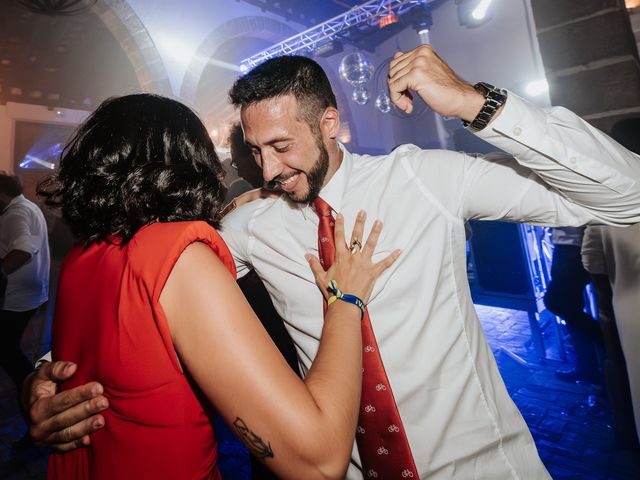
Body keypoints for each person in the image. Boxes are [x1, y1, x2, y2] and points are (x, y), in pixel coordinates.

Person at [27, 45, 640, 479]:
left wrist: (474, 104)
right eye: (253, 149)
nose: (266, 169)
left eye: (281, 146)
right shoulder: (247, 224)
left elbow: (628, 197)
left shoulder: (425, 179)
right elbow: (151, 290)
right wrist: (52, 373)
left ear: (330, 123)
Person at [34, 93, 399, 479]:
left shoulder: (83, 258)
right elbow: (317, 462)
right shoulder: (179, 258)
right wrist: (346, 297)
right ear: (191, 164)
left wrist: (37, 378)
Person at [581, 117, 640, 448]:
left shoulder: (609, 199)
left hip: (629, 317)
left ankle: (626, 433)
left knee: (621, 367)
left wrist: (606, 315)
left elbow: (593, 263)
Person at [0, 174, 50, 395]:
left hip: (14, 298)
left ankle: (33, 393)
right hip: (30, 295)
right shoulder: (27, 206)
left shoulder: (16, 213)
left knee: (7, 351)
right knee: (10, 348)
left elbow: (23, 250)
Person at [543, 227, 603, 383]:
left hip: (576, 246)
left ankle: (611, 341)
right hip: (564, 244)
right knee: (570, 309)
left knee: (556, 301)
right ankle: (587, 368)